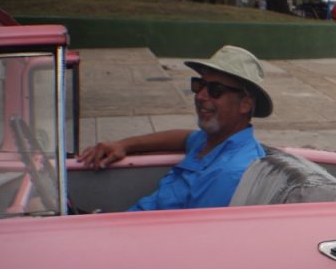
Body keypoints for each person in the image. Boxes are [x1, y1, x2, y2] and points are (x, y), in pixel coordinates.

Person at [78, 45, 272, 211]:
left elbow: (192, 240)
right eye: (199, 85)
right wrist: (123, 145)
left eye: (215, 90)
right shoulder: (213, 141)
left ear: (245, 104)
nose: (201, 96)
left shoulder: (228, 174)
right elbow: (183, 137)